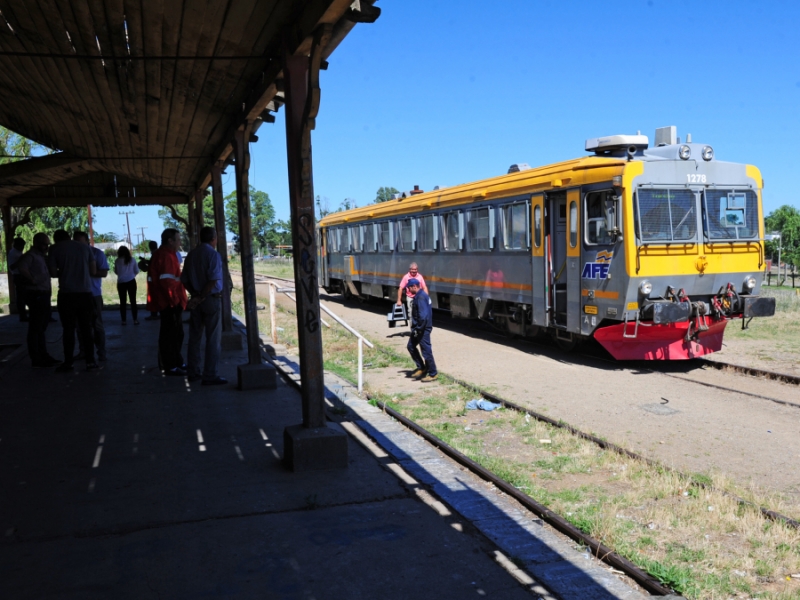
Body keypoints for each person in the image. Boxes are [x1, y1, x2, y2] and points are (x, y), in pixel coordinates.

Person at [181, 226, 226, 385]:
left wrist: (195, 295)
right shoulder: (213, 255)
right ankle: (210, 375)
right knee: (213, 338)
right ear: (213, 239)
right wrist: (201, 296)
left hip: (196, 301)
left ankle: (193, 372)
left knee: (194, 337)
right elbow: (213, 279)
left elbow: (184, 279)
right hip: (210, 299)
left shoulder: (191, 255)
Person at [47, 229, 97, 372]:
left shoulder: (55, 249)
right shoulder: (85, 247)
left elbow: (53, 273)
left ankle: (68, 362)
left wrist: (64, 270)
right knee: (86, 328)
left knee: (68, 329)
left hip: (67, 293)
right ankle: (90, 361)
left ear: (56, 239)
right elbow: (93, 271)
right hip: (85, 293)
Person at [16, 233, 60, 368]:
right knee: (36, 327)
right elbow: (21, 267)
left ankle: (43, 355)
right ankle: (36, 357)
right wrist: (32, 279)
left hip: (43, 293)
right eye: (45, 244)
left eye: (47, 244)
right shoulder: (31, 256)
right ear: (37, 244)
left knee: (41, 327)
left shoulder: (40, 257)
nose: (47, 247)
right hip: (36, 294)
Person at [149, 228, 187, 376]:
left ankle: (176, 362)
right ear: (170, 241)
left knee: (176, 334)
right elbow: (167, 282)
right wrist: (175, 301)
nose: (180, 243)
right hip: (170, 302)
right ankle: (170, 365)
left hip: (168, 301)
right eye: (178, 240)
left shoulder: (166, 255)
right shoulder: (166, 256)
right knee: (170, 335)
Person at [74, 231, 108, 362]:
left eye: (80, 242)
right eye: (75, 242)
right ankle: (83, 351)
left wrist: (88, 272)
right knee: (79, 326)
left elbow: (104, 273)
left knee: (97, 325)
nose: (78, 245)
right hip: (77, 294)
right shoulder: (73, 256)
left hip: (93, 294)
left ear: (87, 241)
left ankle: (101, 352)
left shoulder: (97, 253)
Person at [405, 278, 437, 382]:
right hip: (418, 328)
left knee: (426, 351)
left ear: (414, 286)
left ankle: (433, 373)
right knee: (411, 346)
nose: (408, 290)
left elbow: (423, 316)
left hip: (422, 329)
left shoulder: (421, 297)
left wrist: (419, 329)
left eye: (409, 287)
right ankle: (422, 367)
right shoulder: (420, 295)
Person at [396, 262, 428, 326]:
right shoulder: (406, 277)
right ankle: (413, 330)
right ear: (410, 269)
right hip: (410, 298)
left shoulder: (420, 277)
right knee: (411, 313)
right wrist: (399, 300)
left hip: (419, 298)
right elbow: (400, 288)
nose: (414, 271)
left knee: (420, 313)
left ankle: (419, 328)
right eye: (412, 270)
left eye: (415, 270)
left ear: (417, 269)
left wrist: (426, 298)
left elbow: (424, 287)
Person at [115, 245, 140, 325]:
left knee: (122, 302)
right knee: (133, 301)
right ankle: (135, 320)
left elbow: (116, 272)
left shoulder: (117, 261)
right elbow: (136, 270)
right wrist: (131, 275)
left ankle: (124, 320)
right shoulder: (132, 260)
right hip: (131, 281)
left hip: (121, 282)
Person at [8, 237, 28, 321]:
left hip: (20, 275)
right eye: (22, 246)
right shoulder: (13, 253)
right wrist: (21, 259)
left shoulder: (17, 252)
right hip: (18, 276)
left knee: (22, 296)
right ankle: (22, 316)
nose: (23, 248)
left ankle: (23, 315)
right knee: (21, 297)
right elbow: (12, 267)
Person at [141, 241, 159, 320]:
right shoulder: (158, 254)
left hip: (153, 280)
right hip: (156, 279)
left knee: (153, 297)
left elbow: (152, 266)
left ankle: (154, 314)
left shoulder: (155, 255)